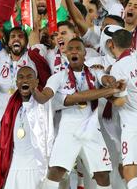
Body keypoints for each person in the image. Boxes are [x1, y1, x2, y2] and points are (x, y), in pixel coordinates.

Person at [34, 38, 125, 189]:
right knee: (56, 170)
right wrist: (34, 91)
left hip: (92, 130)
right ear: (66, 54)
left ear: (84, 54)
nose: (74, 51)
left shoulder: (94, 73)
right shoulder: (58, 77)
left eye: (78, 48)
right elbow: (48, 97)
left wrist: (111, 82)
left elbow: (105, 79)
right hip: (69, 130)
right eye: (70, 49)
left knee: (102, 174)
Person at [0, 66, 55, 189]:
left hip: (36, 167)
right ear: (17, 83)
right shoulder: (9, 101)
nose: (25, 80)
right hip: (14, 167)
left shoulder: (46, 102)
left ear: (37, 81)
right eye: (21, 77)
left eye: (29, 77)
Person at [109, 29, 137, 189]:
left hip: (132, 124)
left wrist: (106, 95)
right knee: (135, 167)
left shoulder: (118, 67)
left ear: (111, 44)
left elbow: (121, 101)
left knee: (129, 171)